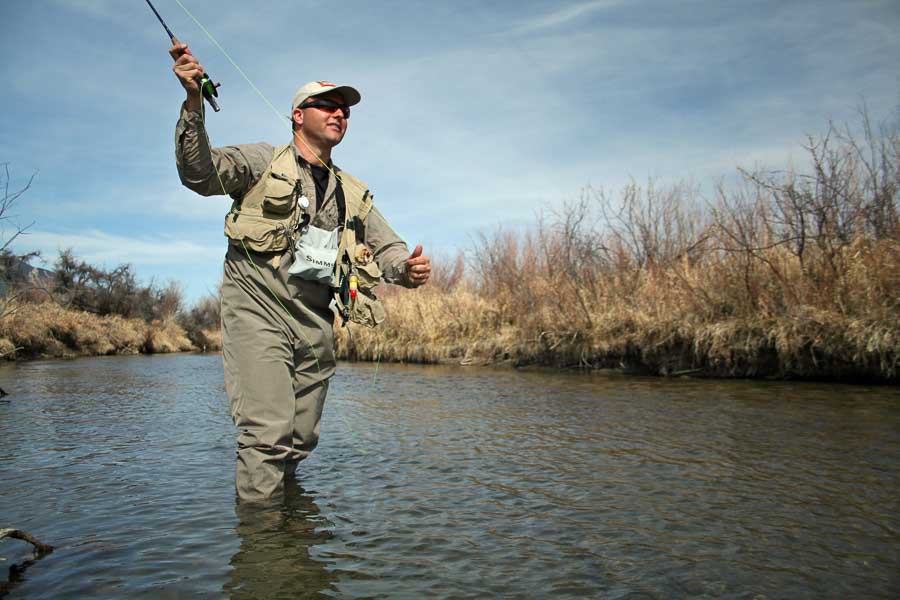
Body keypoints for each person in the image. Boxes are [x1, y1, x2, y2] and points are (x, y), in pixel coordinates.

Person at [169, 42, 431, 502]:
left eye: (345, 110)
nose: (339, 114)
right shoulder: (260, 160)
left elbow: (388, 246)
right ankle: (263, 549)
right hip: (257, 313)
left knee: (299, 439)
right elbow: (198, 173)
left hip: (314, 323)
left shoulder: (353, 190)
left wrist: (405, 270)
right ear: (297, 115)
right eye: (327, 105)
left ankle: (286, 531)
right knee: (266, 435)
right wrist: (194, 102)